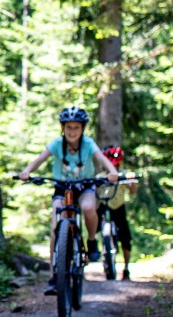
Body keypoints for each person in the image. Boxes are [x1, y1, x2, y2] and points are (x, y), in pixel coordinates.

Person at [18, 106, 118, 296]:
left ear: (82, 129)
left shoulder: (88, 144)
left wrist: (112, 172)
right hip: (62, 188)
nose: (72, 131)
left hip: (85, 186)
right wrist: (27, 171)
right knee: (56, 225)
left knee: (89, 207)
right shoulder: (57, 144)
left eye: (76, 128)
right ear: (62, 128)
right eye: (68, 127)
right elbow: (40, 159)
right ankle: (54, 274)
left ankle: (91, 241)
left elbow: (102, 159)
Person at [97, 146, 137, 280]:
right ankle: (94, 253)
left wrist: (131, 182)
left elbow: (132, 190)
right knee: (93, 227)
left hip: (119, 208)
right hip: (104, 206)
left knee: (125, 236)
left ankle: (126, 268)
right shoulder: (100, 176)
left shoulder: (124, 174)